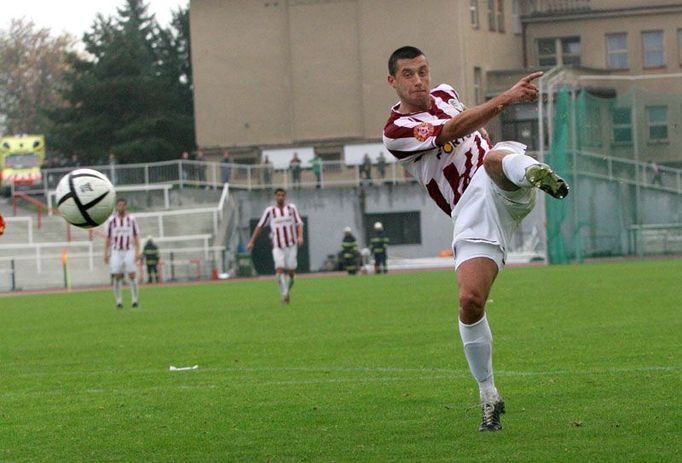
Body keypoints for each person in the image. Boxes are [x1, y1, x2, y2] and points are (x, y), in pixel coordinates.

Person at [383, 46, 569, 432]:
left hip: (499, 181)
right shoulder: (396, 132)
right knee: (469, 302)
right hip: (471, 211)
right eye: (408, 74)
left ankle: (536, 172)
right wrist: (507, 98)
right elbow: (451, 131)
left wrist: (484, 125)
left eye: (422, 71)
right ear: (393, 81)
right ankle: (489, 396)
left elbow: (472, 128)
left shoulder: (448, 95)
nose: (418, 80)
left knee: (493, 157)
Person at [247, 188, 304, 304]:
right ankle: (285, 295)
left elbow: (299, 223)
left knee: (291, 272)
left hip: (291, 245)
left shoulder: (291, 209)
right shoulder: (270, 211)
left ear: (285, 196)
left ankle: (287, 290)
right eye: (278, 195)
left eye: (282, 195)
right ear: (275, 197)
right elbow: (260, 226)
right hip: (277, 246)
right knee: (279, 269)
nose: (280, 197)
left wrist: (300, 236)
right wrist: (252, 241)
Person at [104, 198, 142, 308]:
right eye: (118, 205)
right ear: (116, 206)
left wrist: (137, 252)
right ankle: (119, 301)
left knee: (132, 274)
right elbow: (108, 238)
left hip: (129, 250)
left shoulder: (131, 219)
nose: (120, 207)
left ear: (125, 206)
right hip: (116, 251)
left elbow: (136, 236)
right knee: (116, 276)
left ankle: (135, 300)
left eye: (122, 205)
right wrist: (105, 253)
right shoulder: (111, 220)